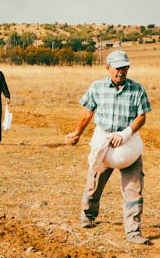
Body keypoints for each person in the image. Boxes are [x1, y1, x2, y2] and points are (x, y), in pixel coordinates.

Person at [65, 50, 152, 245]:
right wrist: (77, 133)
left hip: (128, 144)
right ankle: (88, 215)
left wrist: (126, 133)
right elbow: (87, 113)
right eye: (117, 68)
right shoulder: (97, 87)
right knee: (94, 182)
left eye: (124, 67)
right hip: (103, 143)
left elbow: (142, 116)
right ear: (108, 68)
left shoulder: (137, 89)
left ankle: (133, 231)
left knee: (134, 188)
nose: (121, 71)